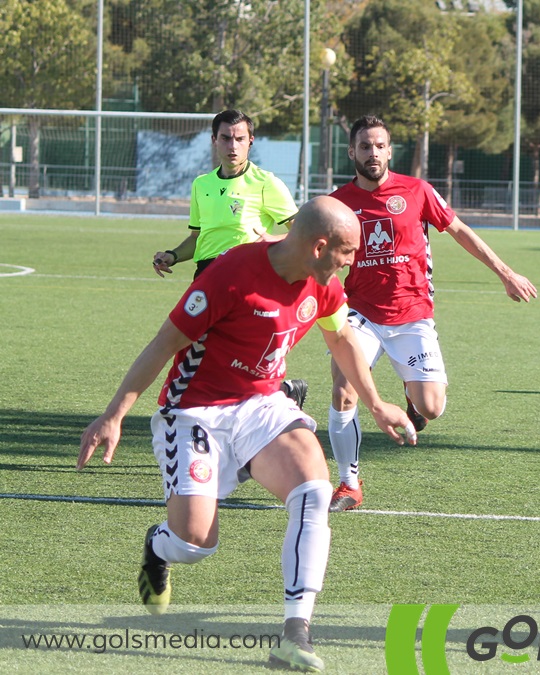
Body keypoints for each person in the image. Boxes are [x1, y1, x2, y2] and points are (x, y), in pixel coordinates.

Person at [79, 197, 418, 673]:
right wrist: (114, 414)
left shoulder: (324, 285)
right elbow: (164, 343)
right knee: (196, 542)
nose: (350, 262)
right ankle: (158, 546)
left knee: (313, 492)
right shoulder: (230, 275)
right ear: (319, 246)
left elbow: (341, 340)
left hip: (261, 405)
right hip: (194, 413)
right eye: (345, 252)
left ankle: (294, 633)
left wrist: (378, 403)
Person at [324, 115, 538, 512]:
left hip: (412, 315)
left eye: (380, 145)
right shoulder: (336, 204)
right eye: (365, 146)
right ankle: (349, 484)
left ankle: (412, 397)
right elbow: (301, 242)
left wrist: (506, 273)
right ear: (351, 151)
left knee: (432, 408)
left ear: (390, 150)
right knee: (342, 391)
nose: (373, 153)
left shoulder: (418, 191)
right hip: (360, 315)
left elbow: (460, 231)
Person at [150, 109, 309, 408]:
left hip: (247, 280)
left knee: (196, 344)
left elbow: (302, 231)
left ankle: (177, 407)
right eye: (225, 138)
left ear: (251, 141)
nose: (232, 146)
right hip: (207, 277)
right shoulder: (202, 185)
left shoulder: (266, 183)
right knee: (211, 351)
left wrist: (270, 241)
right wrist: (172, 255)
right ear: (214, 141)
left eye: (239, 138)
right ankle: (284, 393)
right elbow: (198, 239)